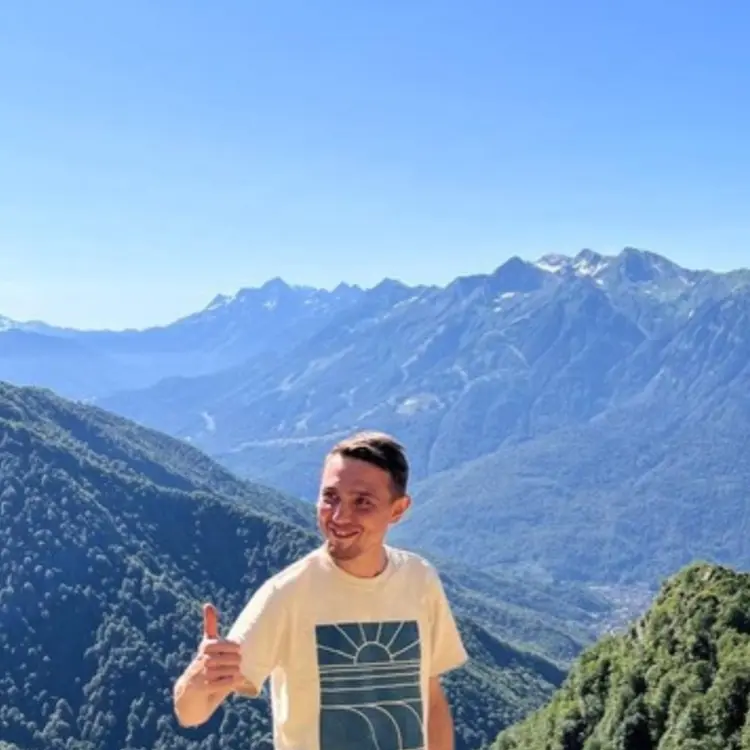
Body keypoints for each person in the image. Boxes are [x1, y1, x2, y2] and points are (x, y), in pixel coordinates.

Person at [172, 430, 468, 750]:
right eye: (330, 497)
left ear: (397, 510)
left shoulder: (420, 579)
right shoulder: (287, 594)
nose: (339, 516)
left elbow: (431, 698)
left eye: (362, 502)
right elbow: (191, 712)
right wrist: (198, 678)